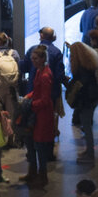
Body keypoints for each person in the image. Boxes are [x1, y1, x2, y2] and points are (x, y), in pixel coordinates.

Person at [24, 46, 57, 187]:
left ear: (43, 58)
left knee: (40, 146)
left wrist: (30, 105)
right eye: (32, 58)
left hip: (42, 115)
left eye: (35, 58)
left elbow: (44, 99)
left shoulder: (45, 75)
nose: (33, 61)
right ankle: (33, 173)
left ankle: (42, 177)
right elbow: (37, 93)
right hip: (38, 112)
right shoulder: (40, 71)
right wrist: (28, 97)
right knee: (32, 144)